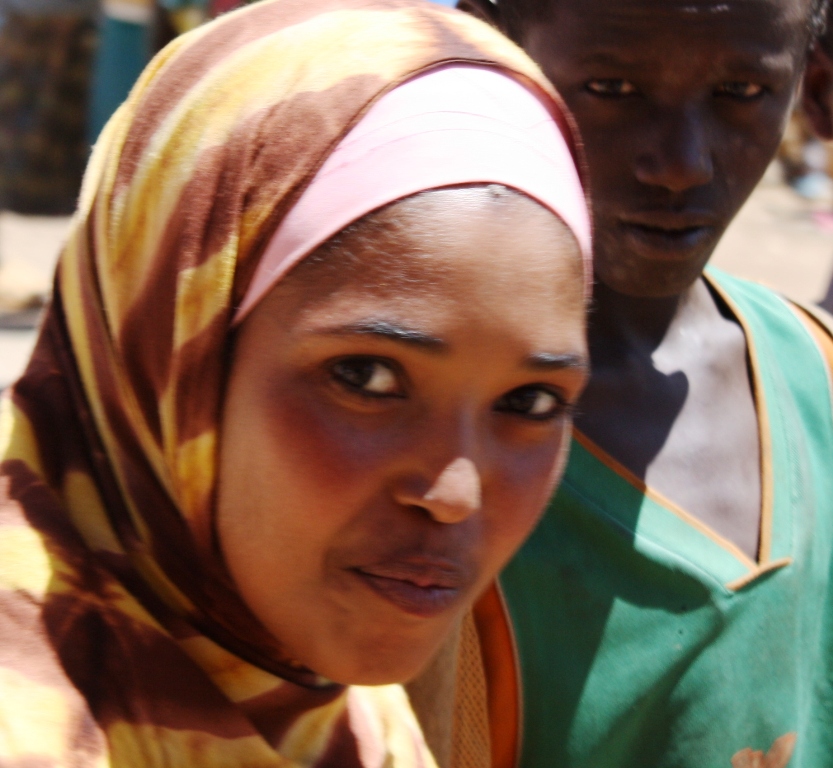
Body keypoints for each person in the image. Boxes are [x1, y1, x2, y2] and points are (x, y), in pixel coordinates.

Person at [0, 0, 593, 765]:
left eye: (530, 402)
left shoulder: (334, 701)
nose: (454, 495)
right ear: (168, 351)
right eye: (366, 377)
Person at [442, 0, 833, 766]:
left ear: (808, 84)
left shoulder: (817, 376)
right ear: (486, 51)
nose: (681, 162)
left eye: (740, 93)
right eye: (612, 88)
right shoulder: (415, 447)